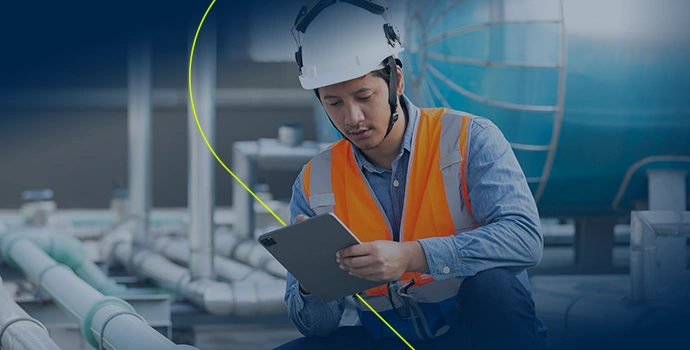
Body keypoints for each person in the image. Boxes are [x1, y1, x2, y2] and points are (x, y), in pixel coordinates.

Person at [275, 1, 547, 349]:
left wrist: (411, 256)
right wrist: (311, 280)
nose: (352, 117)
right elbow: (317, 328)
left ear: (397, 80)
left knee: (493, 288)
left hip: (472, 332)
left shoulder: (470, 138)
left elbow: (524, 240)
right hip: (388, 339)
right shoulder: (315, 180)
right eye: (334, 103)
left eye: (364, 96)